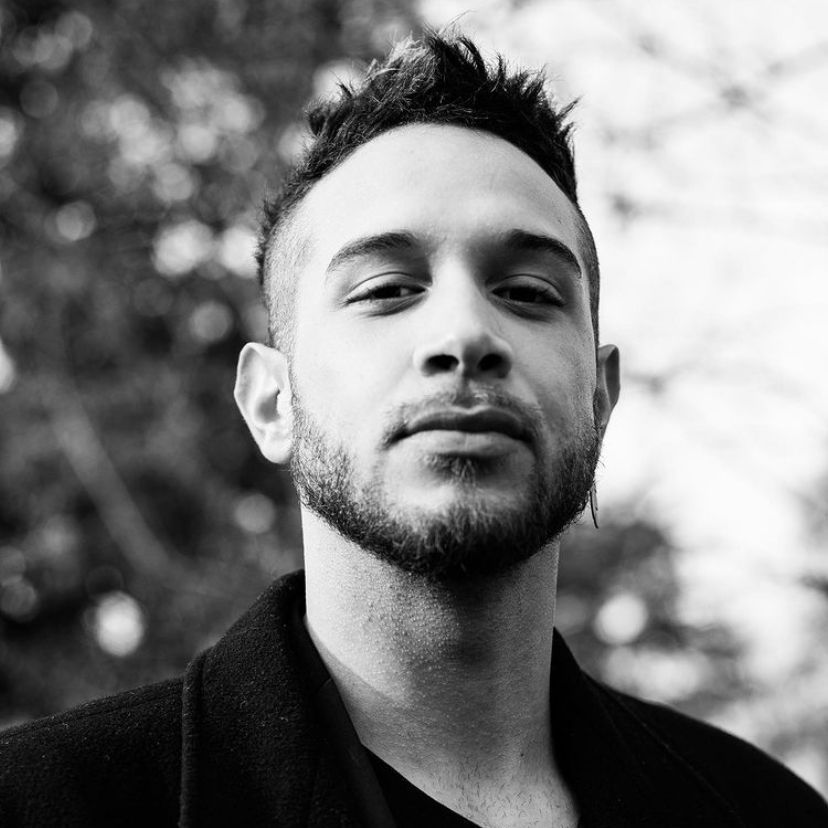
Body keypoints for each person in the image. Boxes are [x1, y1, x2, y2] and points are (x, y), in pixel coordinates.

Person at [1, 31, 826, 828]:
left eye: (529, 293)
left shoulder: (765, 813)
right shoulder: (41, 803)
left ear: (600, 398)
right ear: (271, 402)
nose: (464, 333)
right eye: (387, 290)